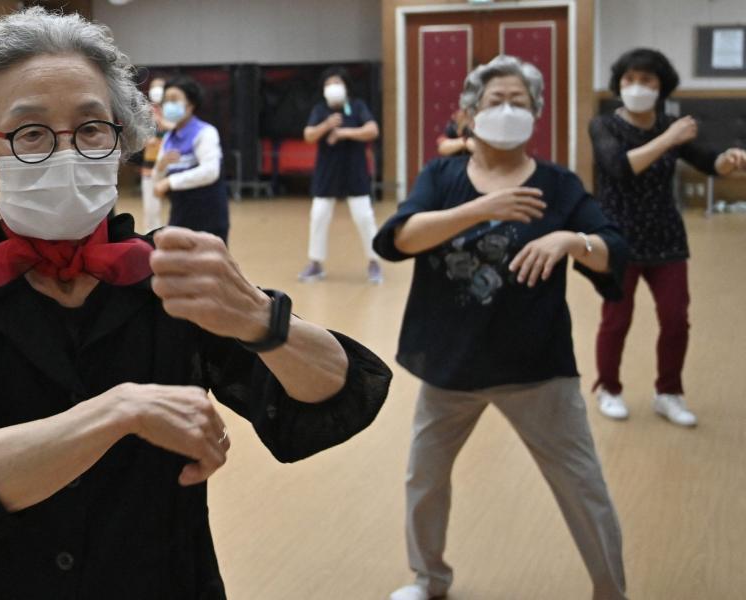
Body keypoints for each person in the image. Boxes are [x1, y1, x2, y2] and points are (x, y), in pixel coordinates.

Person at [0, 8, 391, 598]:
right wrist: (119, 410)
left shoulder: (168, 275)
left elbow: (339, 398)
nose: (66, 152)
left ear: (120, 142)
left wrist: (261, 318)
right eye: (30, 133)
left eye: (91, 129)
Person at [375, 55, 628, 600]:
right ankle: (429, 579)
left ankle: (611, 590)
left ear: (536, 112)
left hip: (536, 368)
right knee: (425, 479)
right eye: (496, 101)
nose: (508, 110)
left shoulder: (558, 186)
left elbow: (615, 252)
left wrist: (571, 242)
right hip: (450, 365)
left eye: (520, 101)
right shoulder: (441, 177)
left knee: (583, 485)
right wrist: (480, 207)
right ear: (469, 113)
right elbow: (401, 237)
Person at [590, 48, 746, 427]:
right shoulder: (604, 125)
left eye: (647, 81)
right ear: (618, 84)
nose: (637, 87)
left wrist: (729, 160)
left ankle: (669, 393)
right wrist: (668, 137)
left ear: (661, 87)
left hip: (666, 237)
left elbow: (708, 161)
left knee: (676, 319)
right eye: (629, 80)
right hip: (618, 237)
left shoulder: (672, 126)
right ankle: (608, 388)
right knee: (616, 319)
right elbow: (619, 167)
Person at [298, 67, 382, 284]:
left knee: (364, 217)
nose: (332, 88)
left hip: (355, 171)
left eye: (336, 83)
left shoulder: (357, 106)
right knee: (319, 216)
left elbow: (372, 130)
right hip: (327, 172)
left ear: (345, 86)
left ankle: (374, 261)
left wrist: (344, 133)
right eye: (328, 84)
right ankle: (316, 263)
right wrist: (327, 125)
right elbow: (308, 135)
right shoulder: (320, 109)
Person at [152, 75, 230, 244]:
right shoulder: (168, 138)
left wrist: (170, 181)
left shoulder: (205, 132)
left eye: (174, 99)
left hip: (209, 216)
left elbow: (210, 172)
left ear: (190, 105)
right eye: (166, 101)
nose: (169, 105)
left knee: (209, 267)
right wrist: (161, 167)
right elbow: (157, 181)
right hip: (180, 215)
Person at [139, 76, 173, 232]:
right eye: (154, 87)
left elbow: (179, 129)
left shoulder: (174, 110)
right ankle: (152, 234)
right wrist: (147, 140)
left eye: (160, 87)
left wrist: (162, 121)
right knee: (151, 203)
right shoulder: (145, 111)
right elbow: (139, 134)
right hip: (151, 161)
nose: (156, 90)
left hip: (172, 161)